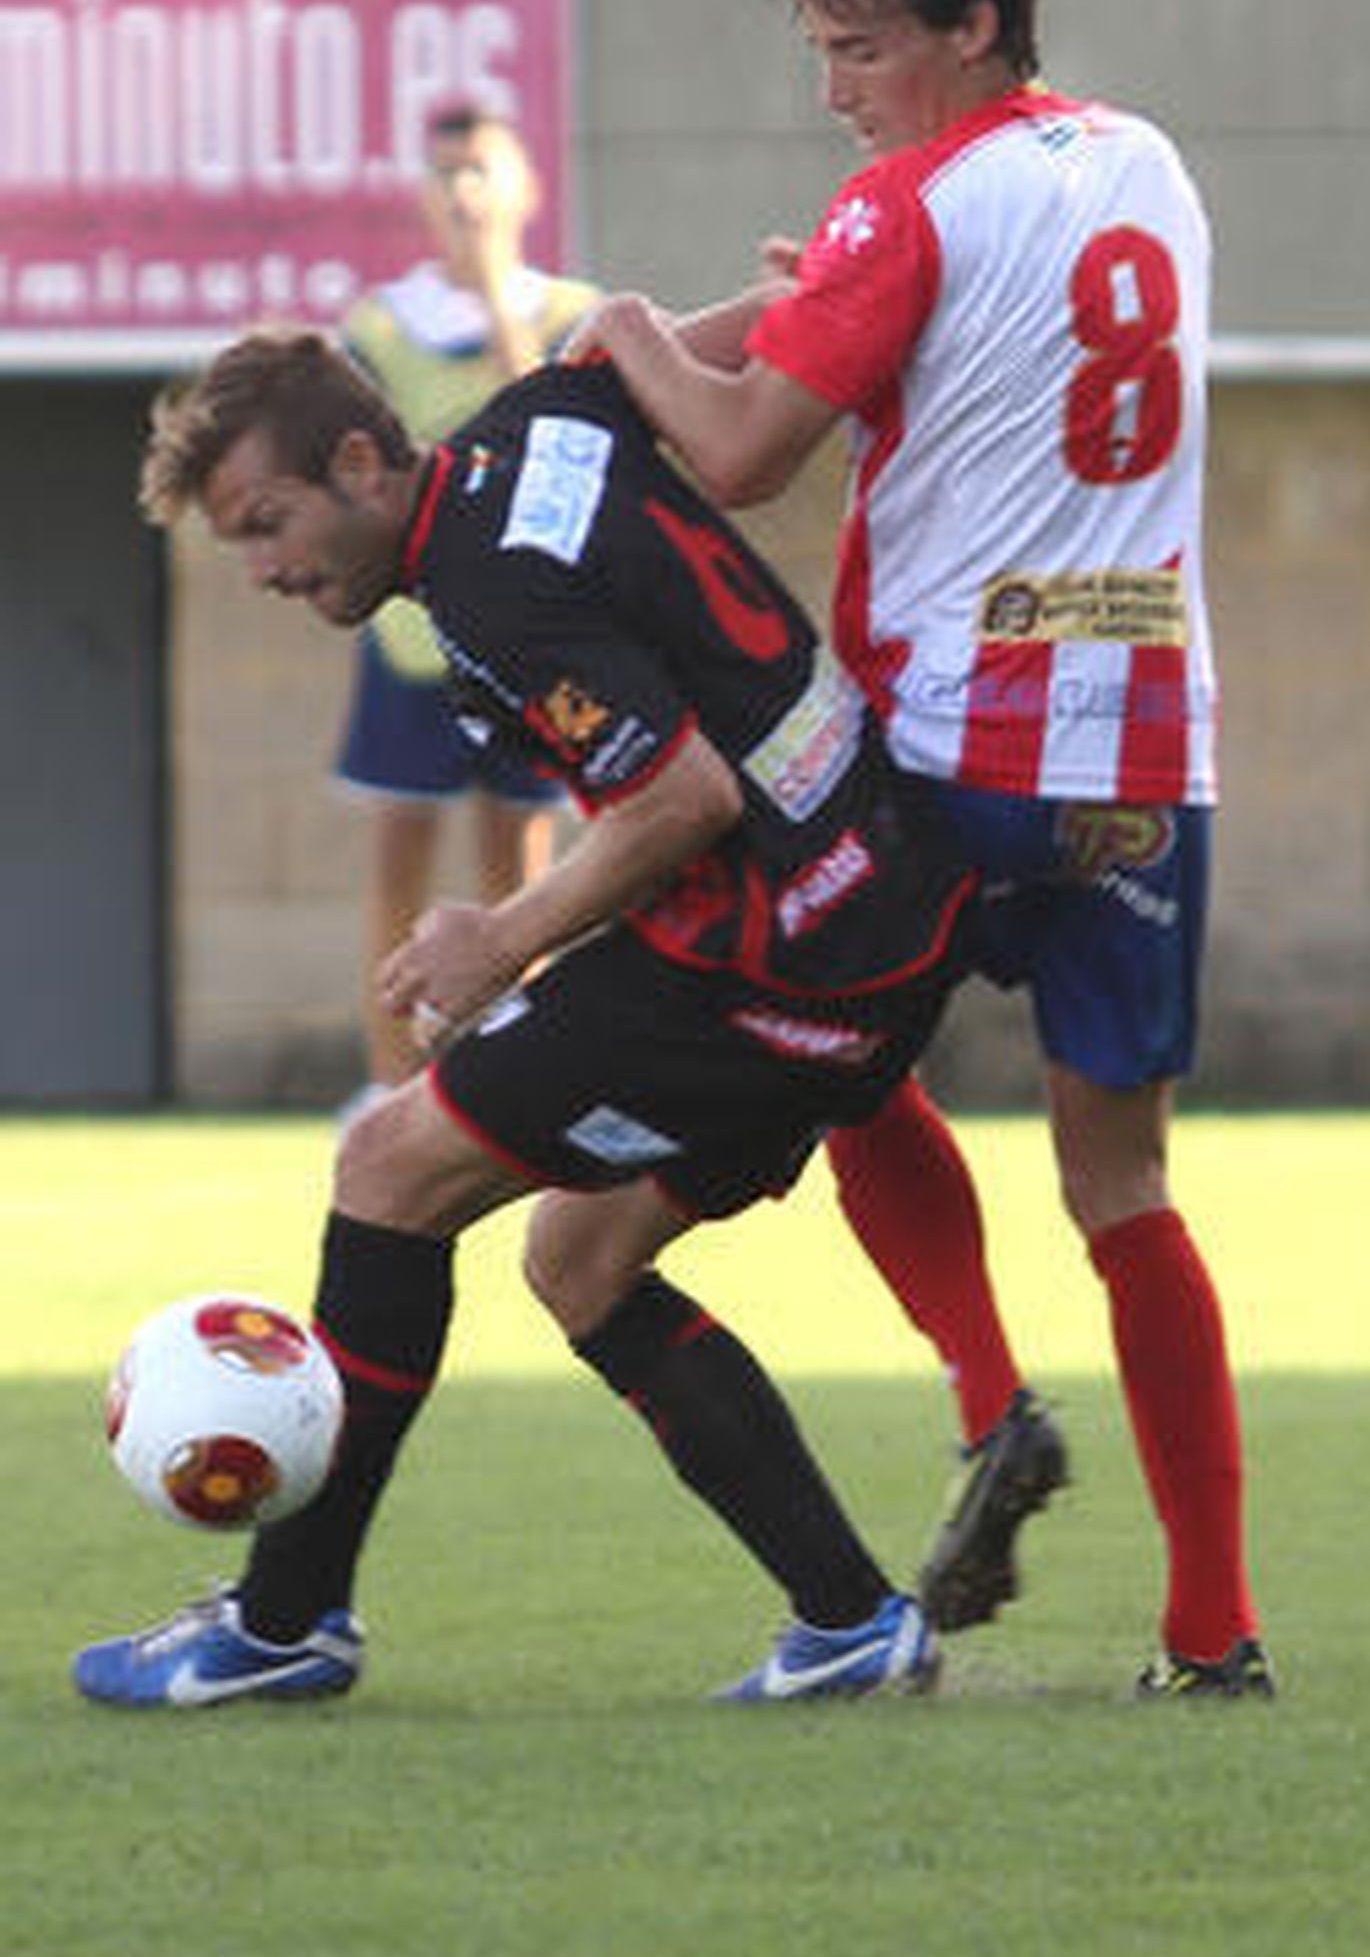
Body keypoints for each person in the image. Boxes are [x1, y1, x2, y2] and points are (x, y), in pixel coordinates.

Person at [574, 0, 1272, 1698]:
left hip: (949, 744)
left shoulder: (910, 203)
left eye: (864, 45)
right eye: (822, 50)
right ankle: (1215, 1636)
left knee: (840, 1057)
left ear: (974, 25)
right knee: (1125, 1186)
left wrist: (633, 323)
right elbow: (1015, 360)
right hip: (1143, 746)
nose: (838, 89)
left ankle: (984, 1394)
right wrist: (850, 303)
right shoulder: (1147, 165)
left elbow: (733, 453)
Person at [74, 329, 975, 1710]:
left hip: (767, 960)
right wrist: (796, 308)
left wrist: (499, 934)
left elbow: (684, 801)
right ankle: (851, 1620)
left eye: (272, 522)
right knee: (583, 1259)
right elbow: (654, 355)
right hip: (872, 918)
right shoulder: (537, 416)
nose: (263, 567)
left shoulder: (484, 584)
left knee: (388, 1171)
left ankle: (281, 1623)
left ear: (364, 463)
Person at [334, 98, 600, 1090]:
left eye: (481, 168)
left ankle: (517, 1073)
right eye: (445, 172)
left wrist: (495, 288)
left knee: (519, 859)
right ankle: (388, 1081)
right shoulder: (379, 325)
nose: (462, 191)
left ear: (525, 185)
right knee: (398, 852)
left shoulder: (569, 311)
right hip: (412, 643)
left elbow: (555, 425)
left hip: (528, 638)